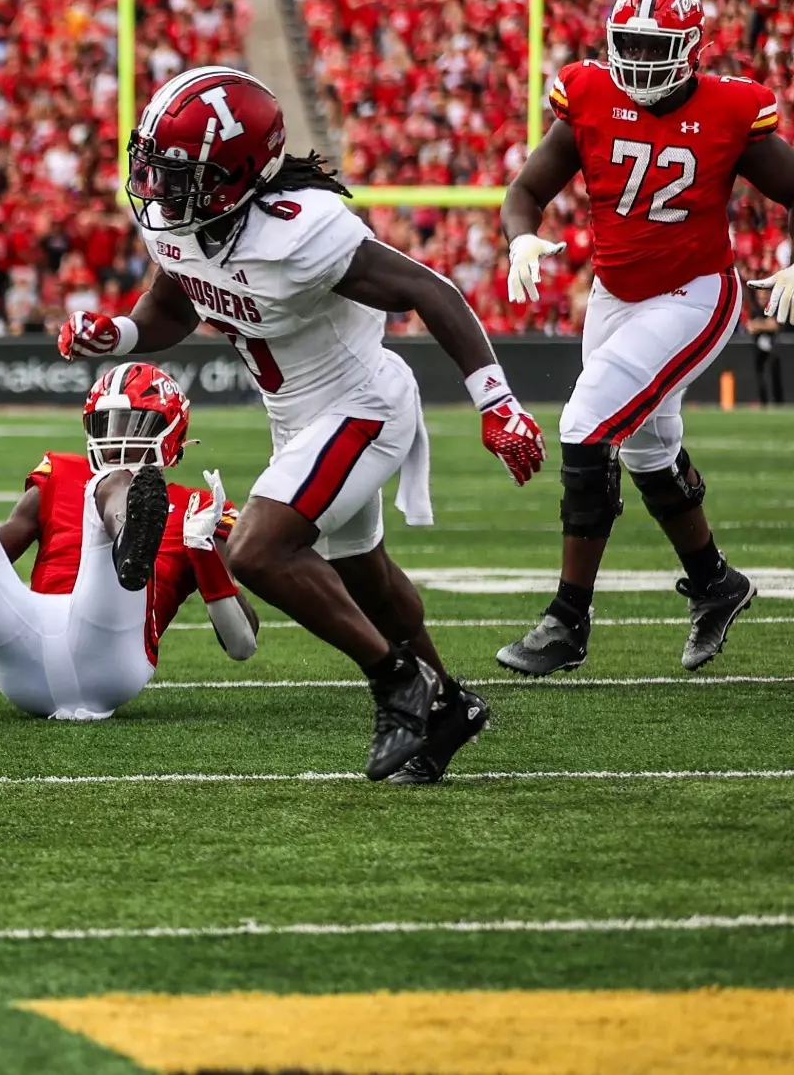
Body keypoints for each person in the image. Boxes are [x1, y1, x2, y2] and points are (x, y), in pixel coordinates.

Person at [59, 66, 539, 783]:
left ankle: (398, 683)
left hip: (363, 406)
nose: (157, 187)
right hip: (298, 420)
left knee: (257, 550)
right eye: (153, 165)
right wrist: (121, 336)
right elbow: (175, 302)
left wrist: (497, 401)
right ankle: (450, 704)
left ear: (240, 172)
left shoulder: (302, 233)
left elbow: (426, 289)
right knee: (364, 573)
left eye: (179, 172)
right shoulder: (181, 224)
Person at [501, 0, 794, 675]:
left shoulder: (730, 108)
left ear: (690, 49)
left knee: (585, 423)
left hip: (695, 293)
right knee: (646, 451)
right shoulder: (591, 93)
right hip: (615, 295)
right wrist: (519, 236)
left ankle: (567, 619)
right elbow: (527, 189)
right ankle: (717, 583)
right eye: (627, 42)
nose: (637, 58)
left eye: (653, 45)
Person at [0, 362, 259, 722]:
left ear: (171, 431)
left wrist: (202, 550)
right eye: (106, 424)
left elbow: (242, 645)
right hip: (28, 643)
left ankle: (128, 549)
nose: (116, 438)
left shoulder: (199, 506)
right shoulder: (60, 471)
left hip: (112, 654)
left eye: (133, 424)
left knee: (111, 484)